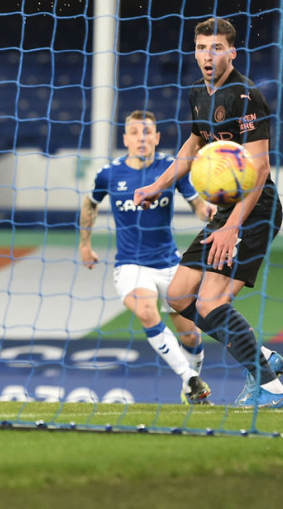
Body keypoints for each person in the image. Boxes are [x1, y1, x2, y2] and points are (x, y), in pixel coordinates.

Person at [134, 17, 283, 408]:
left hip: (254, 210)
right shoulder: (197, 93)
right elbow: (193, 141)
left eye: (217, 48)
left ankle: (271, 389)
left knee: (211, 303)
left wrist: (231, 228)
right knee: (179, 295)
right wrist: (158, 184)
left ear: (232, 52)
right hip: (226, 213)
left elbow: (261, 168)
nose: (208, 55)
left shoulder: (246, 95)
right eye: (203, 47)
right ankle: (263, 357)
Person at [80, 110, 215, 403]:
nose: (141, 138)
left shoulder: (171, 168)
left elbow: (196, 203)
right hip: (130, 265)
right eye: (135, 133)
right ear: (126, 139)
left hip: (169, 264)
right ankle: (190, 378)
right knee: (146, 311)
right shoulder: (110, 173)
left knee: (191, 335)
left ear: (157, 137)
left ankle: (191, 385)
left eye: (147, 132)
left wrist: (207, 211)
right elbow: (90, 204)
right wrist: (84, 244)